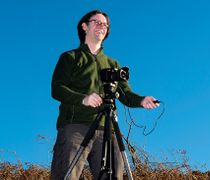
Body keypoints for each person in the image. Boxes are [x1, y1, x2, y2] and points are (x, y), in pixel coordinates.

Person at [51, 10, 159, 180]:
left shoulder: (113, 64)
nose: (102, 26)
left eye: (105, 24)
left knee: (113, 174)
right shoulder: (70, 57)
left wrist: (141, 100)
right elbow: (57, 89)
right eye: (97, 22)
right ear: (84, 26)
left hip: (107, 128)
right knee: (66, 174)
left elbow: (126, 93)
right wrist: (83, 98)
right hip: (75, 126)